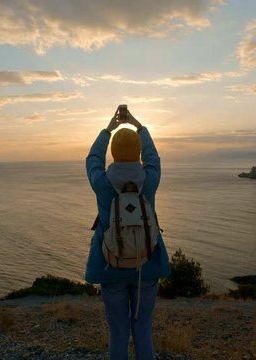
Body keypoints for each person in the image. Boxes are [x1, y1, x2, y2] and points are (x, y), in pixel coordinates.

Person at [85, 106, 171, 359]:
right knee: (142, 329)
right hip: (147, 265)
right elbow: (153, 157)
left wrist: (108, 130)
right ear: (138, 153)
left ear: (113, 152)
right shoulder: (150, 179)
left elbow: (92, 159)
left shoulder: (102, 182)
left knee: (118, 332)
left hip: (111, 268)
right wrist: (138, 126)